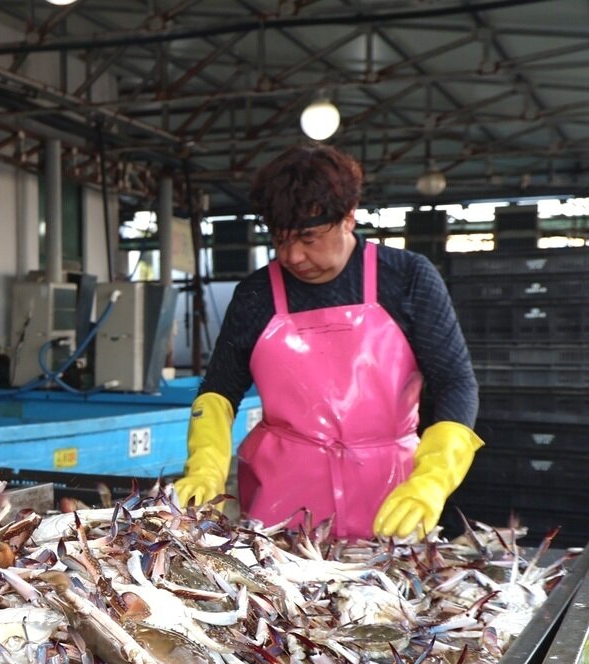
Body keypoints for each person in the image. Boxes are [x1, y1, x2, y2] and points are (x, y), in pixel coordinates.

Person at [172, 144, 482, 539]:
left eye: (308, 237)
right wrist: (205, 467)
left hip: (391, 496)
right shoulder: (255, 295)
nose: (294, 256)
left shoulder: (407, 277)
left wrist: (434, 479)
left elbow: (456, 381)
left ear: (348, 217)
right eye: (280, 240)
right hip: (280, 504)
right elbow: (218, 389)